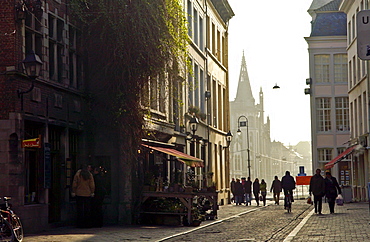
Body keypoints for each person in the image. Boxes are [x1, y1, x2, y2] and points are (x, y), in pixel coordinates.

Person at [72, 164, 95, 228]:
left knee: (80, 209)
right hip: (87, 193)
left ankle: (80, 224)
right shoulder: (89, 174)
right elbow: (92, 185)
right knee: (87, 209)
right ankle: (87, 224)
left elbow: (74, 184)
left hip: (79, 193)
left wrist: (74, 191)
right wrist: (92, 192)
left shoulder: (78, 174)